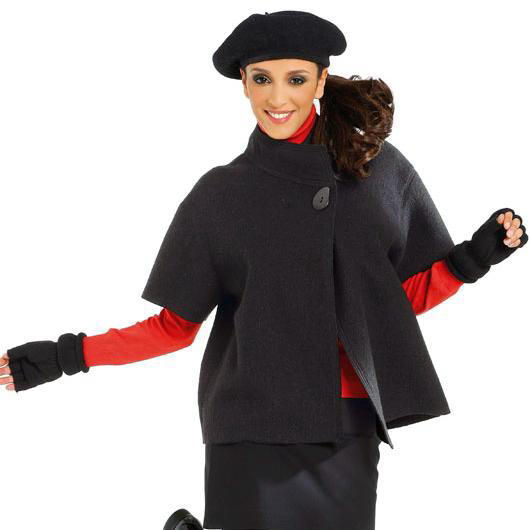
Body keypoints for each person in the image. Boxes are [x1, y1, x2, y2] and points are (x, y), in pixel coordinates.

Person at [1, 10, 527, 530]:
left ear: (320, 80)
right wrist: (65, 356)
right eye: (261, 79)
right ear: (244, 85)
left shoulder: (377, 169)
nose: (278, 98)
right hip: (250, 427)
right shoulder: (220, 194)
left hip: (346, 427)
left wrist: (472, 259)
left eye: (295, 79)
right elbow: (174, 327)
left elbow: (390, 303)